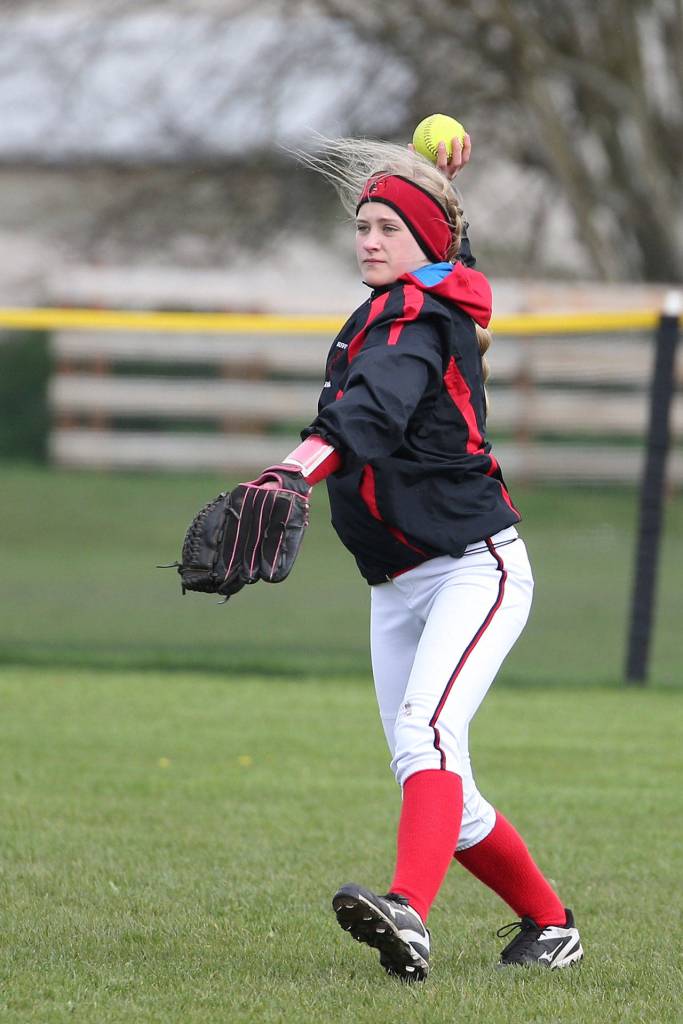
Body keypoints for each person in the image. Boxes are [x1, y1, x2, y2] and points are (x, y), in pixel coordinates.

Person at [228, 132, 583, 980]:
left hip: (474, 566)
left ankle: (408, 915)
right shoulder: (395, 309)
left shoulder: (418, 321)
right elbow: (442, 276)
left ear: (424, 243)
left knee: (426, 734)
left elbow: (373, 416)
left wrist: (296, 467)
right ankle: (548, 925)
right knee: (434, 777)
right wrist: (437, 199)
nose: (369, 239)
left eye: (388, 226)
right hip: (396, 582)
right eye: (362, 225)